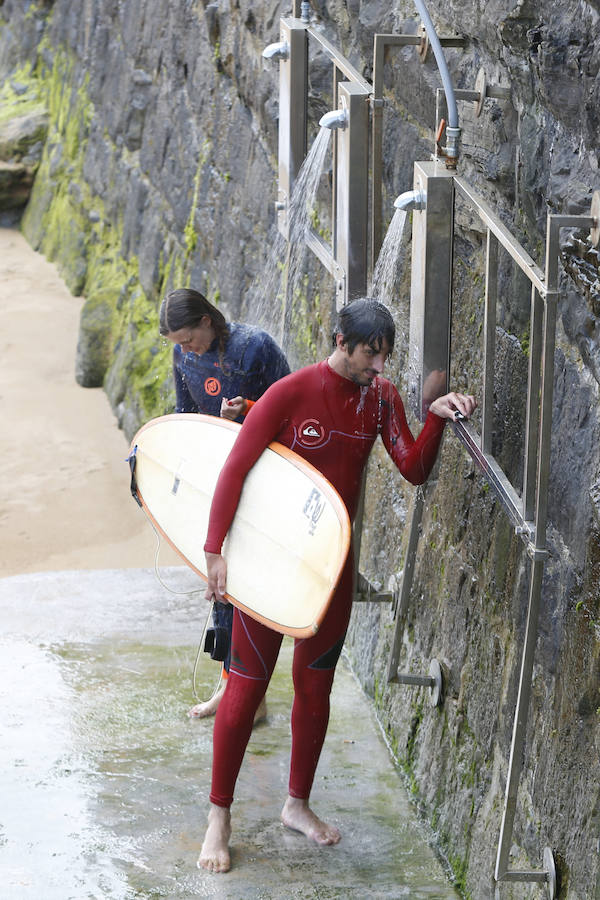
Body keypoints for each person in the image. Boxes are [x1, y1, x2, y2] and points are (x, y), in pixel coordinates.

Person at [198, 297, 476, 873]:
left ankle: (297, 805)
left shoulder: (381, 400)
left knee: (314, 686)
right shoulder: (290, 393)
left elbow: (413, 468)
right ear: (341, 341)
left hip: (333, 570)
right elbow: (235, 468)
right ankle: (218, 817)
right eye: (370, 355)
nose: (378, 366)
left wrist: (438, 419)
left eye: (385, 356)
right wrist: (214, 551)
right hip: (274, 563)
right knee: (247, 688)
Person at [159, 287, 290, 719]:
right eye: (177, 344)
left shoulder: (256, 348)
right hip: (217, 478)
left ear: (206, 321)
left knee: (246, 582)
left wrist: (249, 409)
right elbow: (185, 415)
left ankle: (249, 694)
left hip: (261, 479)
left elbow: (290, 415)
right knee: (220, 586)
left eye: (187, 338)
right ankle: (234, 689)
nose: (184, 349)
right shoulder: (184, 357)